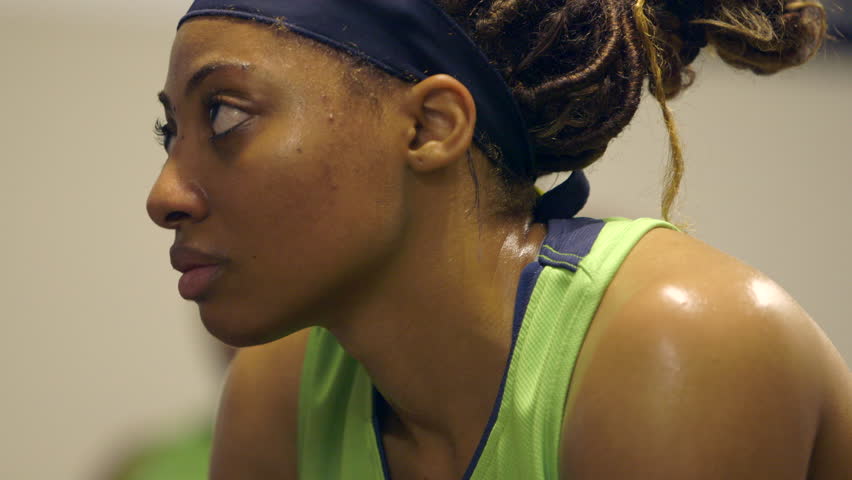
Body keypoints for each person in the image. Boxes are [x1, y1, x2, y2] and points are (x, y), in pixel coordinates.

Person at [146, 0, 851, 478]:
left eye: (227, 115)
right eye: (169, 133)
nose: (164, 195)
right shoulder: (278, 390)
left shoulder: (681, 344)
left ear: (430, 127)